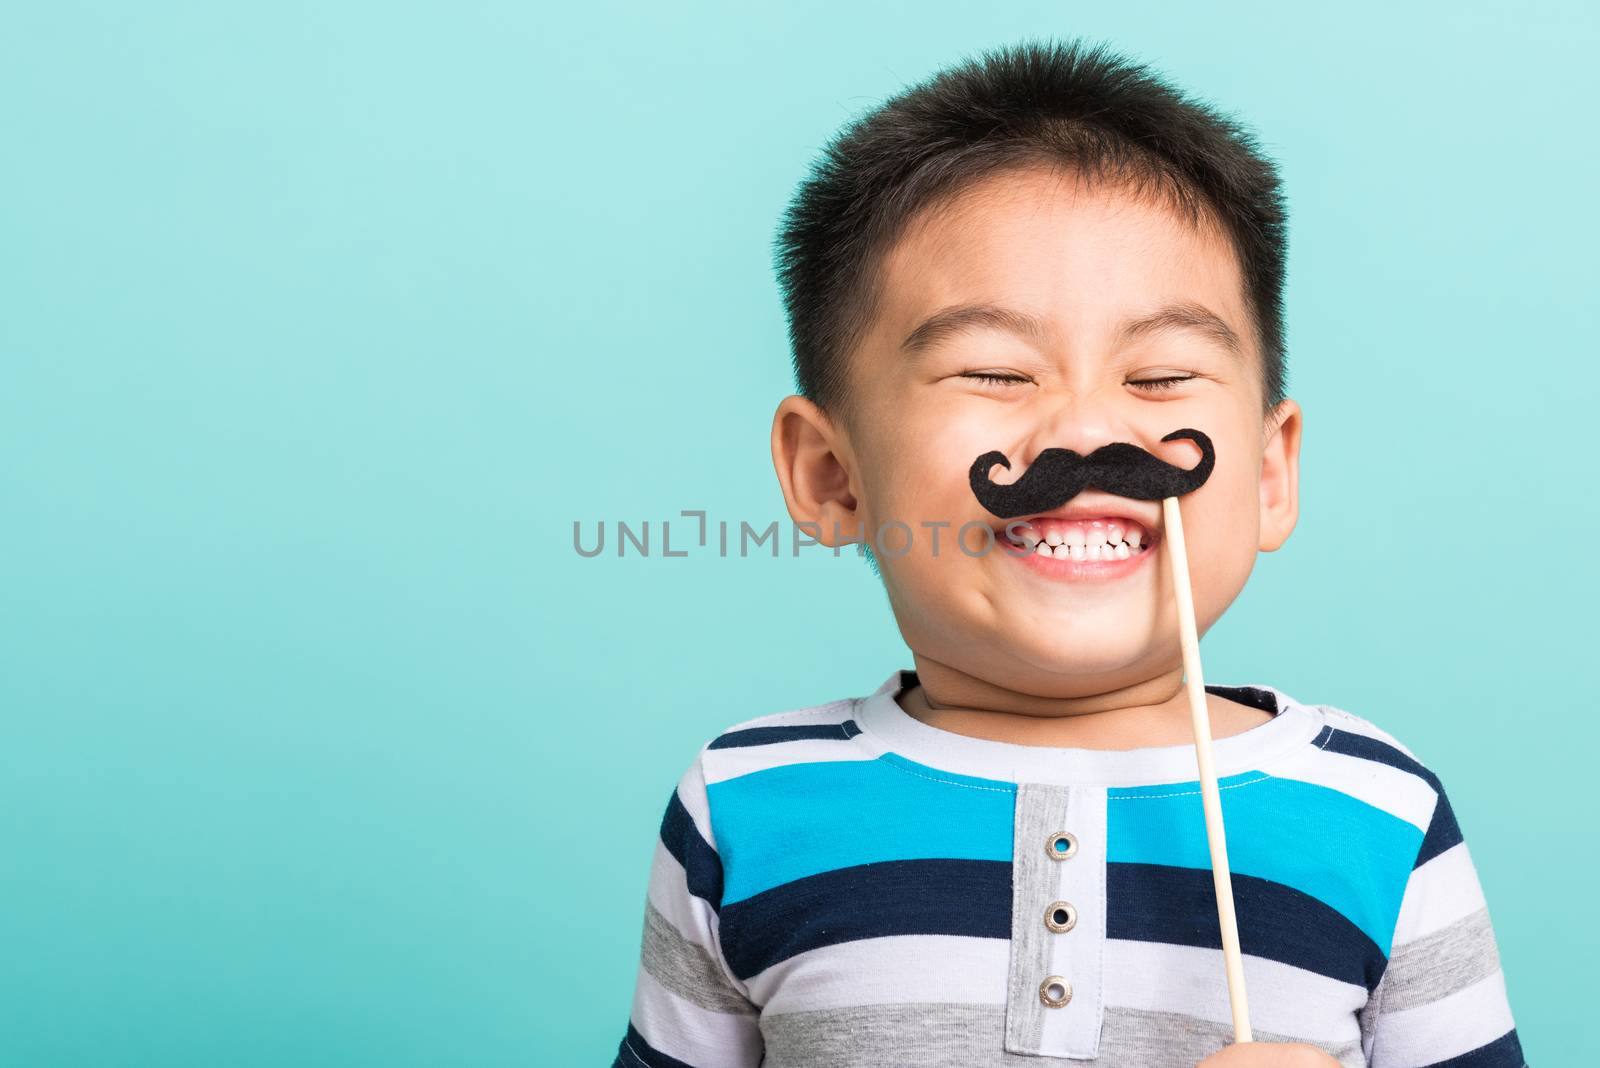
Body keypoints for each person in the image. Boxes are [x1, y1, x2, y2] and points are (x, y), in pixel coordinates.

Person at [612, 38, 1522, 1068]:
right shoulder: (743, 806)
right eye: (995, 372)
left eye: (1162, 376)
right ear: (830, 475)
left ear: (1269, 476)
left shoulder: (1380, 817)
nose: (1085, 436)